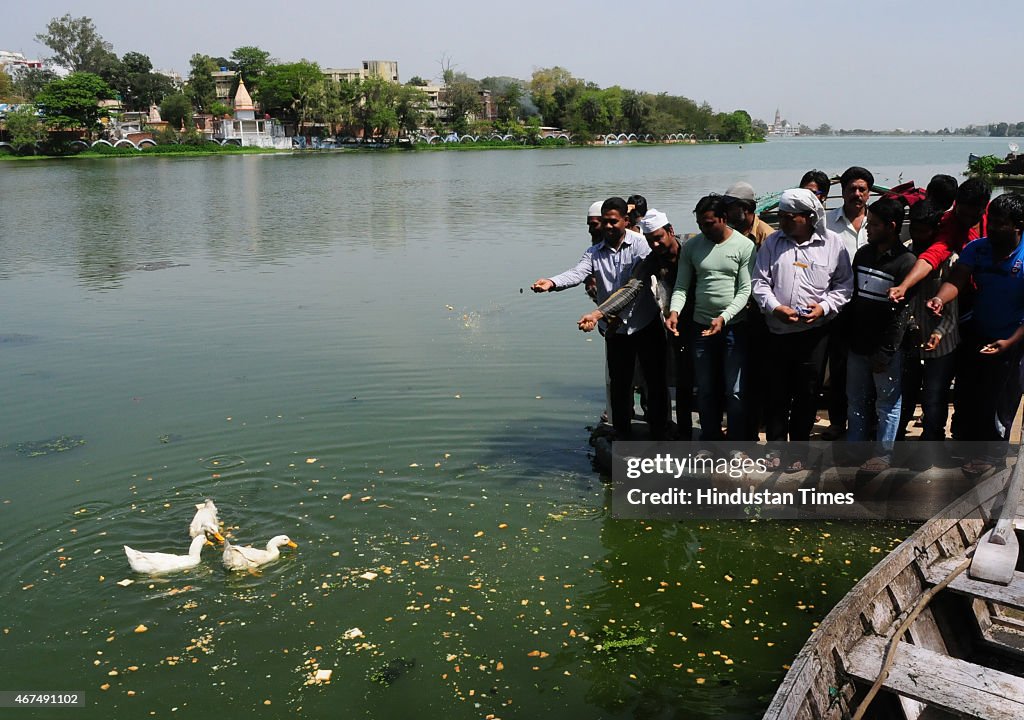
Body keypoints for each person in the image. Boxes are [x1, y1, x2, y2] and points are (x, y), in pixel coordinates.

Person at [532, 197, 669, 440]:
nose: (608, 227)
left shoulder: (640, 245)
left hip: (645, 323)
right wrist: (552, 282)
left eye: (613, 222)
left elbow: (634, 287)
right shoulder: (594, 252)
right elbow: (577, 273)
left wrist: (599, 313)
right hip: (615, 329)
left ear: (626, 221)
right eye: (604, 222)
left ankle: (660, 432)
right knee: (619, 383)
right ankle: (622, 433)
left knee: (655, 381)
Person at [752, 189, 852, 459]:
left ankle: (797, 453)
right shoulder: (772, 243)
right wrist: (775, 308)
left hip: (814, 333)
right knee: (776, 393)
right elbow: (759, 283)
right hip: (777, 332)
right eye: (780, 216)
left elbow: (844, 285)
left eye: (789, 217)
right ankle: (775, 449)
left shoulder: (833, 244)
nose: (782, 221)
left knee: (807, 394)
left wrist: (823, 308)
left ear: (808, 218)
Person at [928, 192, 1024, 475]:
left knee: (999, 401)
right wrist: (940, 299)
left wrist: (1010, 341)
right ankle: (966, 447)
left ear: (1018, 225)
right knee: (968, 395)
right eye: (990, 221)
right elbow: (956, 280)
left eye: (1000, 223)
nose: (991, 227)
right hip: (978, 333)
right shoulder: (978, 248)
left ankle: (992, 457)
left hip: (1013, 339)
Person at [578, 210, 691, 438]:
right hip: (672, 321)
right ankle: (674, 431)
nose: (656, 244)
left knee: (693, 379)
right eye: (651, 241)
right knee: (680, 378)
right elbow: (631, 288)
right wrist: (600, 313)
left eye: (659, 238)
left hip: (700, 320)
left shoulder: (691, 250)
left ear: (670, 231)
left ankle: (685, 431)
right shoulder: (651, 260)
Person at [665, 195, 755, 440]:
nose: (703, 229)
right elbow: (682, 287)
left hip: (733, 328)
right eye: (699, 224)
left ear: (723, 219)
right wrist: (674, 312)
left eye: (708, 223)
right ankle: (711, 438)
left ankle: (736, 440)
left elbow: (745, 290)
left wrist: (724, 317)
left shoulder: (744, 246)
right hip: (701, 328)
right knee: (705, 389)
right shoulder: (692, 247)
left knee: (735, 390)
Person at [846, 198, 916, 472]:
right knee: (856, 399)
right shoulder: (863, 254)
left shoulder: (905, 263)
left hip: (884, 348)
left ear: (892, 226)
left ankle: (883, 454)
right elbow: (852, 298)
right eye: (868, 223)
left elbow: (901, 316)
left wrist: (887, 351)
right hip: (857, 343)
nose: (867, 229)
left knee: (887, 402)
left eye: (874, 225)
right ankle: (855, 448)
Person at [898, 201, 959, 442]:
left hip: (942, 341)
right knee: (904, 393)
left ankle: (933, 439)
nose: (918, 235)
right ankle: (896, 438)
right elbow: (901, 302)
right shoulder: (904, 253)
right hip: (909, 339)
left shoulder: (950, 261)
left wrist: (939, 333)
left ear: (935, 230)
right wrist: (912, 327)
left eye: (924, 230)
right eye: (914, 228)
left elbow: (952, 311)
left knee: (935, 395)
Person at [822, 166, 874, 439]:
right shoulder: (827, 222)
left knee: (870, 364)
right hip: (838, 305)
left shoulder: (876, 223)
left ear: (869, 193)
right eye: (852, 189)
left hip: (871, 306)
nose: (857, 194)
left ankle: (869, 421)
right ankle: (837, 421)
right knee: (839, 366)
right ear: (842, 192)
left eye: (862, 189)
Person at [887, 178, 991, 303]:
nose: (967, 220)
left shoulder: (994, 216)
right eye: (963, 214)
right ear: (955, 204)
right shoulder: (949, 225)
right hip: (963, 294)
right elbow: (932, 255)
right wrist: (904, 286)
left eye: (974, 216)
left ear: (984, 208)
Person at [722, 181, 774, 246]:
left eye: (730, 208)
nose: (725, 212)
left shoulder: (767, 237)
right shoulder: (726, 230)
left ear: (745, 208)